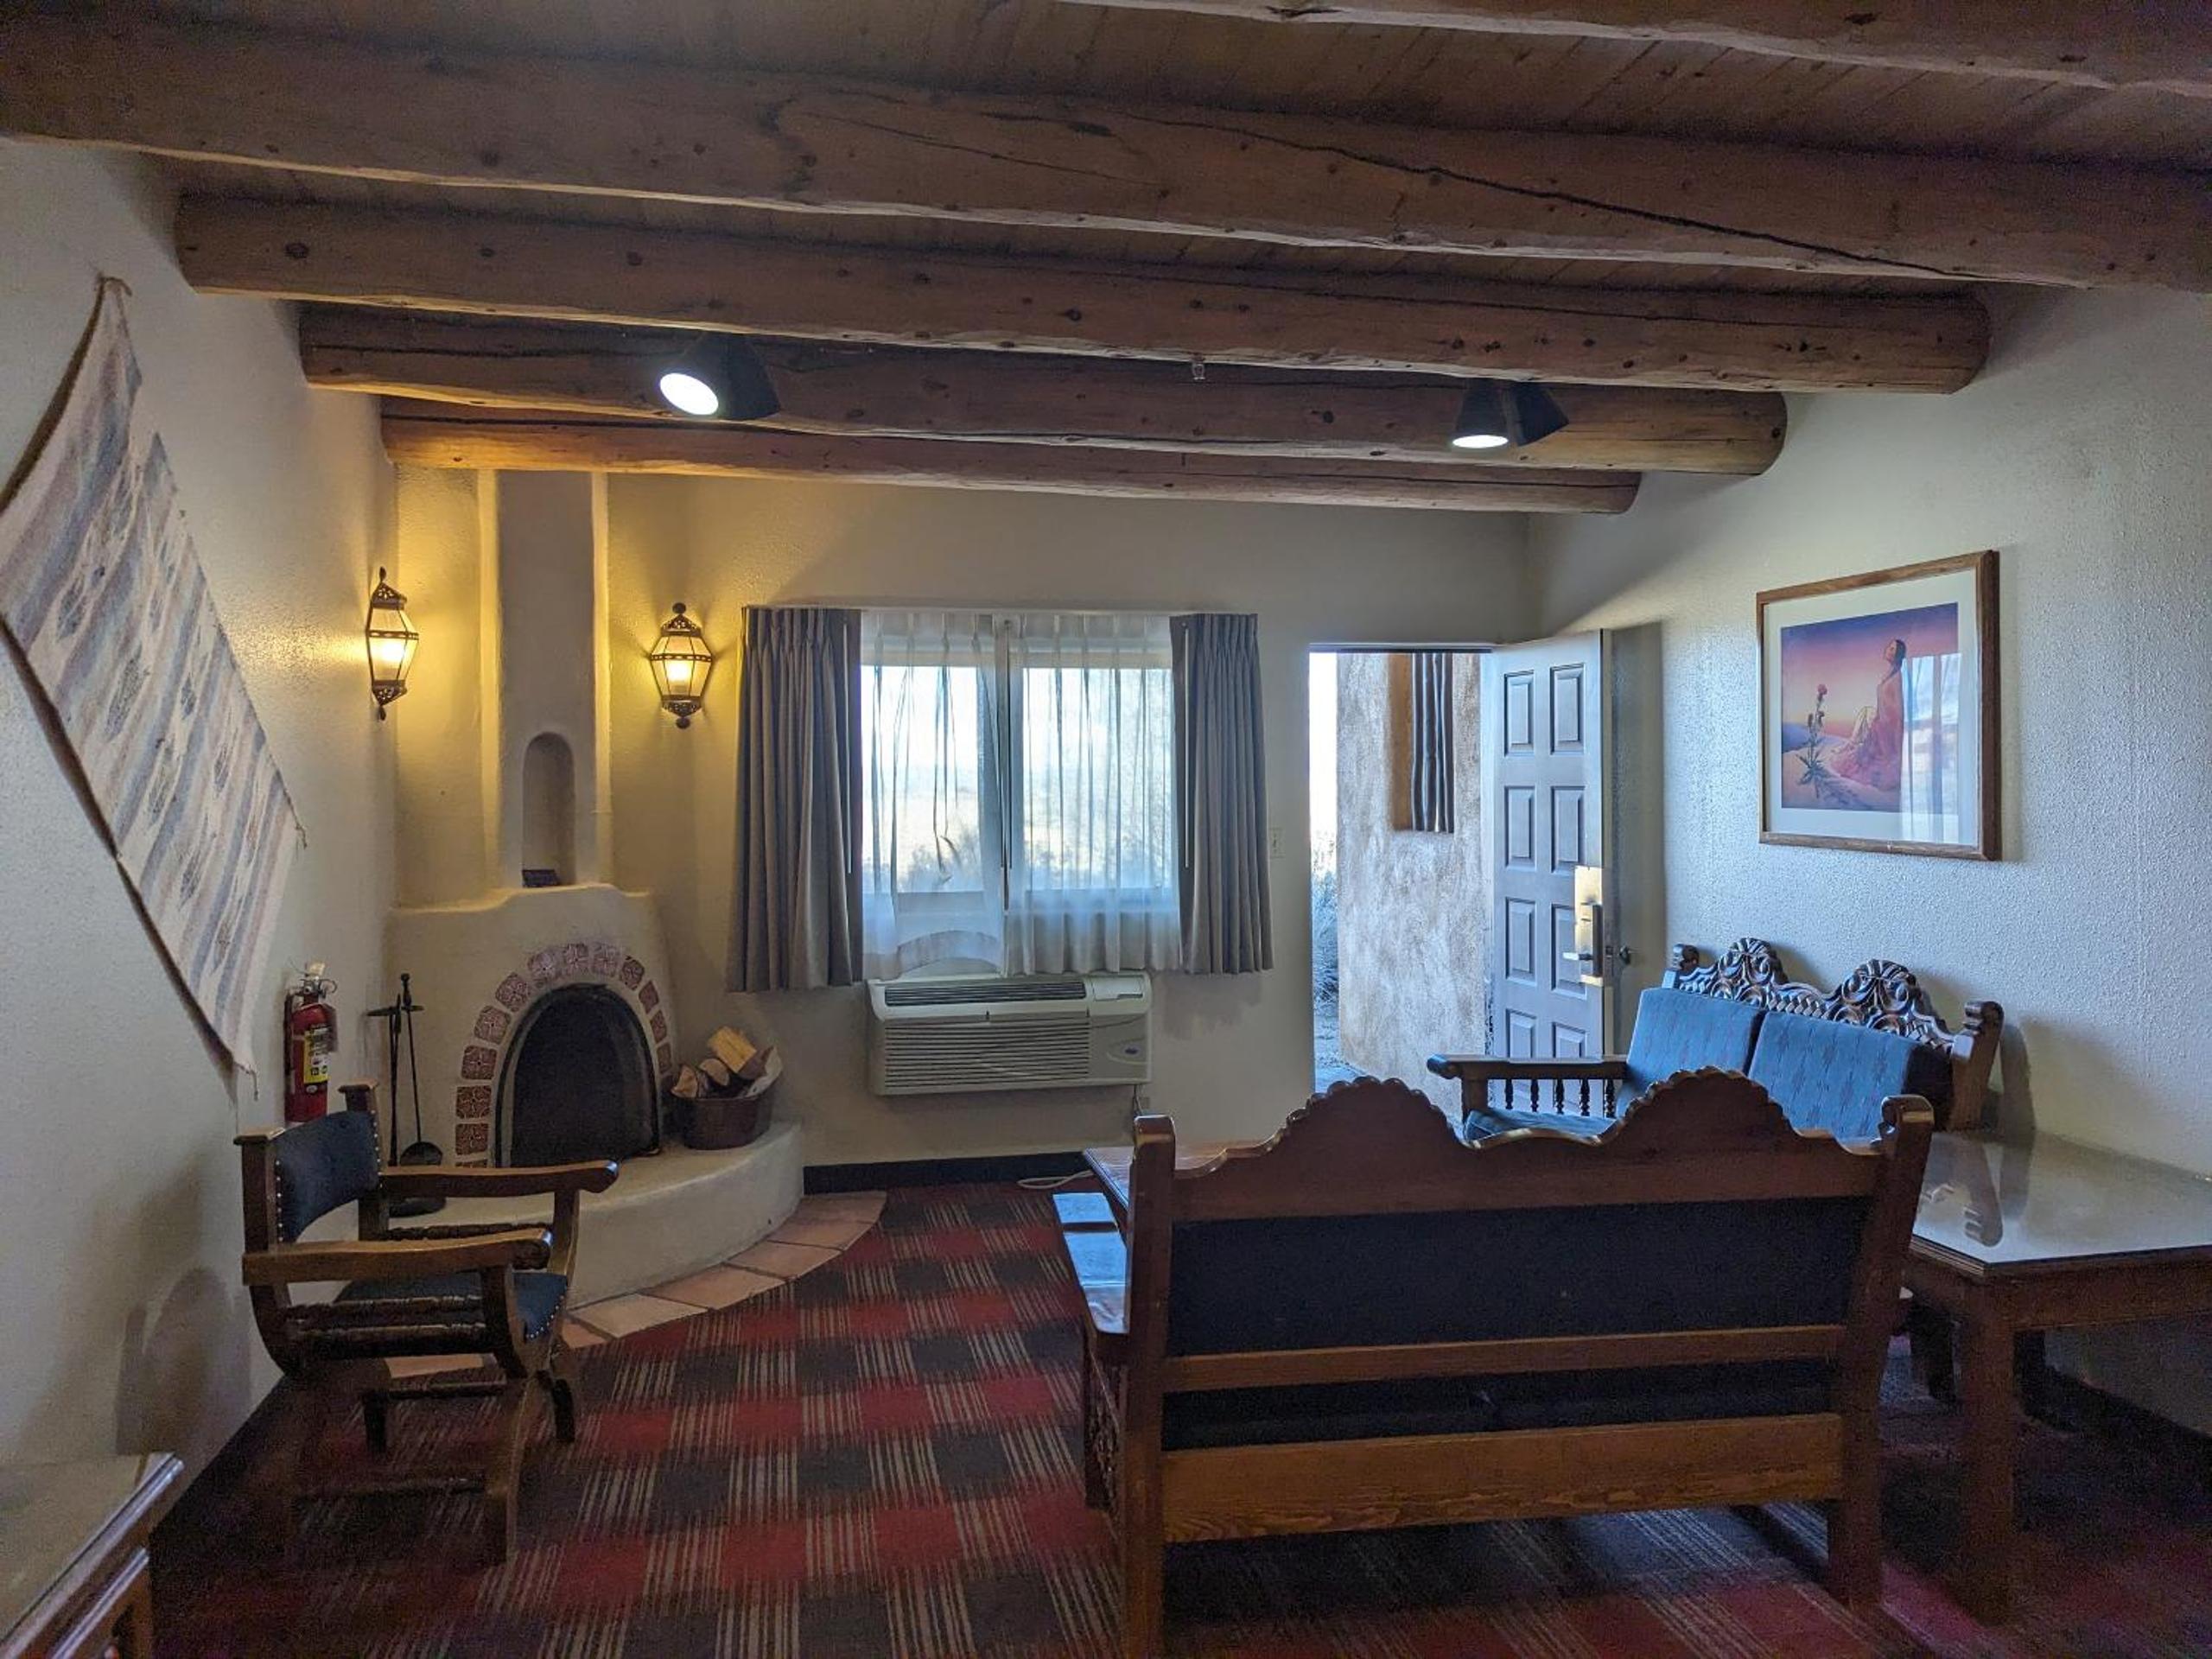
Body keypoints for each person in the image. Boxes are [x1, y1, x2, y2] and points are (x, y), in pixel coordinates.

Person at [1827, 638, 1907, 792]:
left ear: (1898, 654)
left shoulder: (1898, 677)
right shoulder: (1889, 674)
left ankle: (1853, 744)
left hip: (1887, 729)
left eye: (1892, 648)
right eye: (1889, 646)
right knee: (1861, 755)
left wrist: (1895, 739)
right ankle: (1852, 743)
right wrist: (1877, 720)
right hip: (1880, 725)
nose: (1887, 649)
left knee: (1874, 765)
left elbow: (1899, 710)